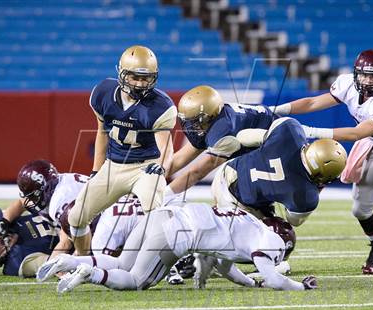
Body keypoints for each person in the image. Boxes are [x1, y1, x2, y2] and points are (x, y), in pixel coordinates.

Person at [270, 49, 373, 274]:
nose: (369, 81)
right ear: (356, 74)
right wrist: (276, 110)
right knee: (361, 210)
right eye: (365, 75)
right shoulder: (347, 84)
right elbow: (312, 103)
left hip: (366, 138)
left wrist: (311, 131)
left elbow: (356, 133)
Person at [36, 203, 317, 292]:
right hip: (176, 233)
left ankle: (68, 262)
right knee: (135, 281)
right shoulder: (272, 241)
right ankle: (89, 274)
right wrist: (300, 287)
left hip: (162, 215)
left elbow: (221, 265)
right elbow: (272, 277)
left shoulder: (245, 224)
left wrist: (249, 285)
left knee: (122, 262)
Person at [68, 45, 177, 255]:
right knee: (77, 216)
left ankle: (168, 264)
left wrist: (160, 168)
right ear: (122, 73)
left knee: (156, 215)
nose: (140, 83)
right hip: (114, 165)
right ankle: (82, 258)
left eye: (146, 78)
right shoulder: (103, 93)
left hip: (145, 167)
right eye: (135, 77)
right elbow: (102, 132)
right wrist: (95, 170)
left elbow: (166, 148)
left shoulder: (161, 106)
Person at [212, 117, 347, 227]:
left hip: (227, 170)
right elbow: (293, 221)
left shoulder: (290, 130)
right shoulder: (305, 195)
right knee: (281, 233)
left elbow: (242, 136)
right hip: (239, 204)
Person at [164, 85, 277, 199]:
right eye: (187, 122)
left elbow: (197, 173)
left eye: (197, 122)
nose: (192, 128)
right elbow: (180, 159)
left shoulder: (223, 130)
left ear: (211, 116)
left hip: (277, 151)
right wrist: (150, 180)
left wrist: (163, 194)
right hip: (264, 148)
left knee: (225, 184)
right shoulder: (214, 120)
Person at [0, 159, 89, 259]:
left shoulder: (59, 201)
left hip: (99, 226)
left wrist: (49, 267)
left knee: (85, 258)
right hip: (87, 216)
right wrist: (5, 221)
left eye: (33, 196)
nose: (30, 201)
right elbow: (21, 202)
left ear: (45, 188)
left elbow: (65, 243)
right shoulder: (56, 182)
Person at [0, 207, 59, 277]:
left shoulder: (4, 227)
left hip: (58, 214)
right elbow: (55, 263)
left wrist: (2, 226)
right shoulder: (17, 262)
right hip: (67, 237)